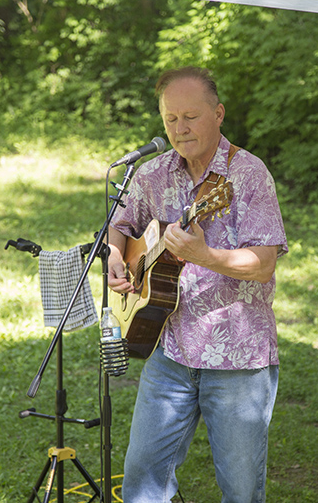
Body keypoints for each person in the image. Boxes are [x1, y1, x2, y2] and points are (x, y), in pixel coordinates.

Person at [107, 66, 288, 503]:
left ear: (218, 113)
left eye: (190, 116)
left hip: (238, 358)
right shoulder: (151, 174)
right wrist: (116, 254)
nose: (179, 128)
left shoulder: (247, 175)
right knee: (142, 477)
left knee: (241, 490)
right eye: (170, 119)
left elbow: (263, 264)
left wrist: (205, 256)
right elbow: (121, 223)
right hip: (169, 348)